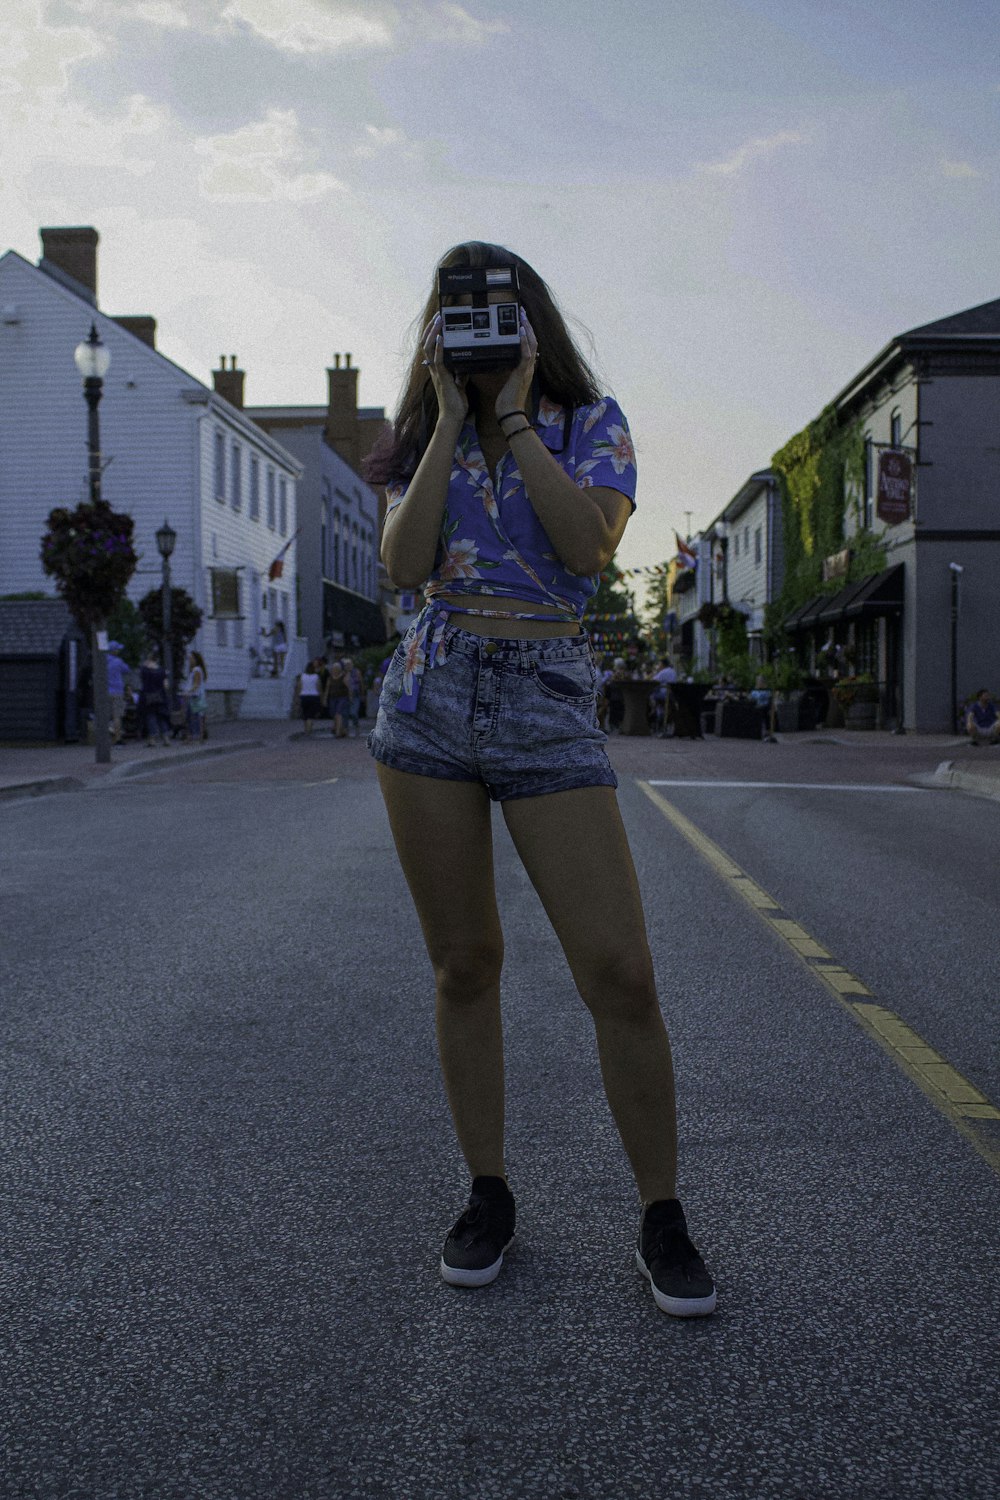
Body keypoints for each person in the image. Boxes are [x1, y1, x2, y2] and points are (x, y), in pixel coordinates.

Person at [365, 240, 715, 1317]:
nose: (475, 328)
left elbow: (584, 549)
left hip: (543, 699)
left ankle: (661, 1213)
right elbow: (403, 565)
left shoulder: (588, 423)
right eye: (455, 312)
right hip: (429, 699)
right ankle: (487, 1192)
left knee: (618, 970)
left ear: (531, 322)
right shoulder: (420, 434)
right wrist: (448, 420)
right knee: (464, 962)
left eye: (495, 310)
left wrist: (514, 418)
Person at [139, 654, 170, 747]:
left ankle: (152, 739)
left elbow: (142, 681)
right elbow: (166, 685)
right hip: (160, 695)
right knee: (161, 716)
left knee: (150, 716)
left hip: (148, 696)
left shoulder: (145, 670)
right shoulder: (161, 670)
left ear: (148, 659)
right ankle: (166, 738)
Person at [105, 640, 130, 745]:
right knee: (117, 716)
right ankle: (117, 738)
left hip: (105, 691)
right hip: (117, 691)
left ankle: (106, 736)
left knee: (106, 715)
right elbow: (127, 669)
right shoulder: (118, 661)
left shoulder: (103, 660)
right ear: (114, 651)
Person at [183, 650, 208, 742]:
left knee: (194, 717)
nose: (190, 660)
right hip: (197, 696)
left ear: (195, 659)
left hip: (196, 697)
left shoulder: (196, 670)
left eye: (191, 658)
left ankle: (196, 736)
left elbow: (196, 684)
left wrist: (187, 692)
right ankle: (196, 737)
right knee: (196, 717)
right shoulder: (196, 670)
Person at [324, 659, 350, 737]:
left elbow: (348, 687)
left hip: (342, 697)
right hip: (332, 698)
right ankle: (340, 729)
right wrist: (325, 699)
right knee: (333, 713)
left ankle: (338, 732)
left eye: (336, 669)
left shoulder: (343, 676)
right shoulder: (330, 678)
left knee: (339, 713)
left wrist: (350, 696)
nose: (334, 670)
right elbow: (327, 689)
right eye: (333, 669)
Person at [299, 658, 322, 734]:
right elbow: (319, 687)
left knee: (305, 714)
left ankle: (306, 729)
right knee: (310, 715)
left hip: (304, 696)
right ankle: (308, 731)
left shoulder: (302, 676)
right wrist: (320, 697)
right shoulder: (316, 676)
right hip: (313, 696)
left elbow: (300, 687)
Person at [343, 657, 364, 739]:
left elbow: (361, 683)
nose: (348, 666)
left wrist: (363, 694)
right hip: (345, 695)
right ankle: (346, 730)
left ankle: (357, 727)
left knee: (353, 713)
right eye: (346, 665)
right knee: (345, 714)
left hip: (355, 694)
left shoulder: (357, 672)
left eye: (349, 664)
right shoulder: (343, 673)